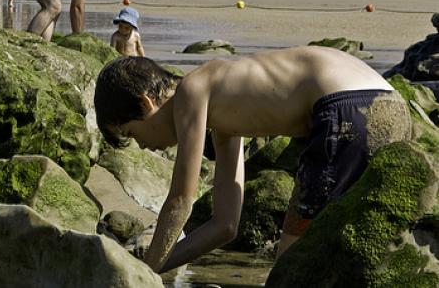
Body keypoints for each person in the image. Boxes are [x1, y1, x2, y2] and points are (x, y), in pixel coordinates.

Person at [93, 46, 411, 273]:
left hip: (345, 107)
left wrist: (142, 274)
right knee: (340, 248)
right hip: (390, 106)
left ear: (146, 102)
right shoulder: (224, 109)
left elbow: (180, 200)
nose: (144, 147)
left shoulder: (192, 90)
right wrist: (158, 266)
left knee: (290, 267)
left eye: (132, 134)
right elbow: (225, 225)